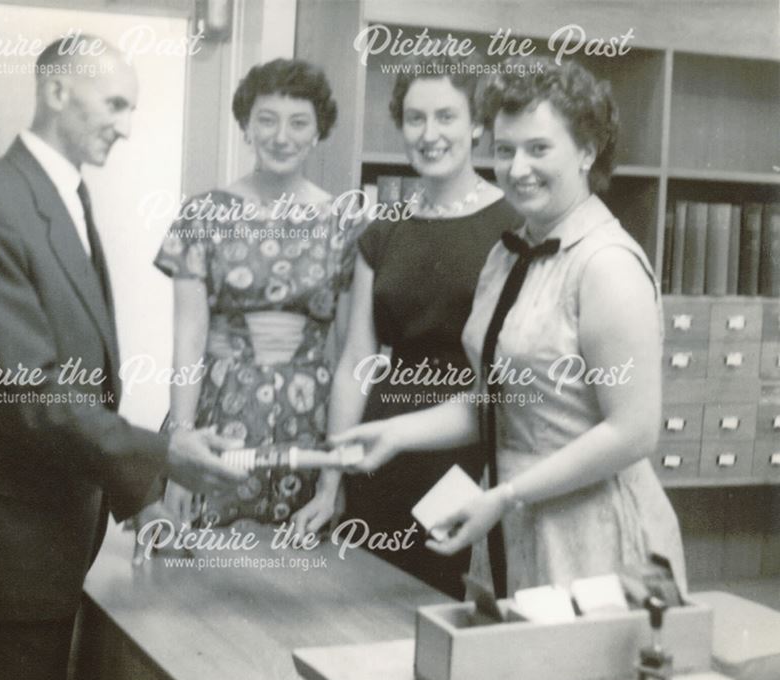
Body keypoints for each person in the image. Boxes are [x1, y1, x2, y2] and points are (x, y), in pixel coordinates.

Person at [0, 37, 245, 680]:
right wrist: (164, 454)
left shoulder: (61, 193)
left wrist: (139, 498)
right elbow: (30, 392)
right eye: (115, 103)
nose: (126, 125)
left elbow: (79, 375)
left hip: (38, 547)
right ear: (57, 92)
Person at [330, 57, 687, 598]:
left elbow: (633, 431)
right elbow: (493, 404)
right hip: (511, 515)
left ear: (587, 151)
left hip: (591, 531)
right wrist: (396, 432)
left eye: (539, 149)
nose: (518, 168)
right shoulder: (508, 254)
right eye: (505, 150)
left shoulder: (607, 264)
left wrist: (507, 494)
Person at [292, 56, 520, 600]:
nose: (430, 133)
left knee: (442, 608)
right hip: (383, 443)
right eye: (415, 119)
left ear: (478, 124)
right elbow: (355, 361)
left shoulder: (513, 225)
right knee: (365, 606)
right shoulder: (382, 230)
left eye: (446, 117)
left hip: (472, 440)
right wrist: (333, 477)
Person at [154, 58, 363, 528]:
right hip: (218, 414)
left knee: (303, 577)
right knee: (200, 564)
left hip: (310, 425)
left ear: (318, 132)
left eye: (298, 123)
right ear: (246, 126)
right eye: (266, 120)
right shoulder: (204, 214)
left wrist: (335, 473)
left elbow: (351, 353)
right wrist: (183, 452)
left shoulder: (345, 222)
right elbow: (189, 337)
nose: (281, 136)